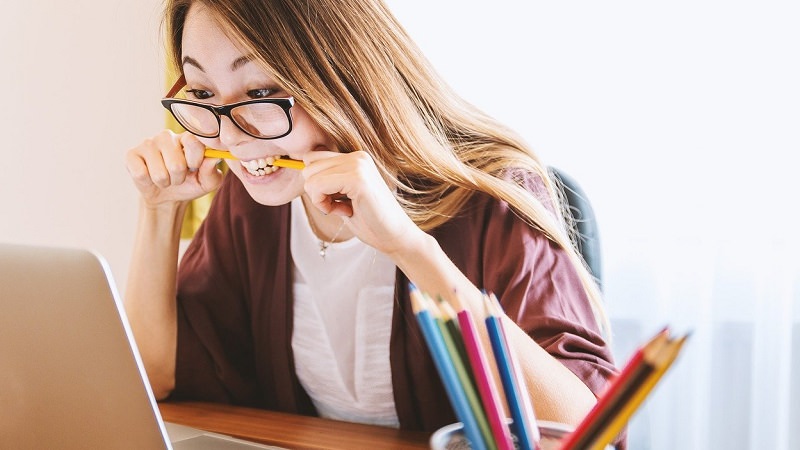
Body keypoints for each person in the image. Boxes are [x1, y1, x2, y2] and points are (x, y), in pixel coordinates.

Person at [124, 0, 620, 443]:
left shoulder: (492, 196)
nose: (232, 136)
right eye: (205, 94)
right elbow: (154, 375)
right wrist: (160, 210)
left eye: (260, 89)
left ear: (343, 74)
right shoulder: (252, 202)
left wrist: (410, 247)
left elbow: (583, 431)